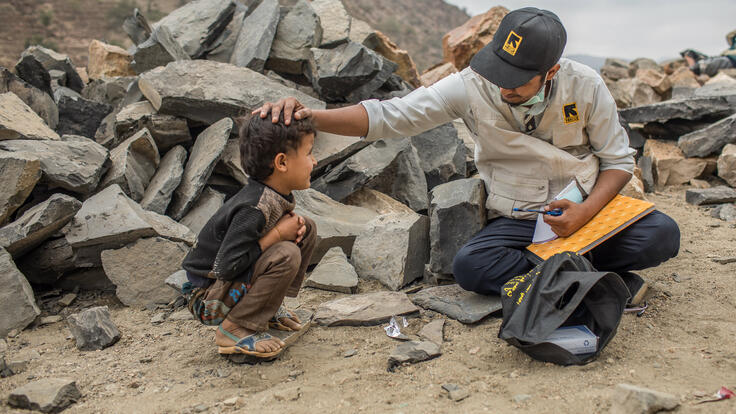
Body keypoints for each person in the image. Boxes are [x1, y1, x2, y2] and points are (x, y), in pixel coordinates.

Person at [256, 7, 680, 305]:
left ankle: (567, 277)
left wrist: (584, 213)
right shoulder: (470, 85)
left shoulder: (584, 86)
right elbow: (390, 116)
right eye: (499, 71)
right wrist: (312, 117)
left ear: (550, 72)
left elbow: (619, 162)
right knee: (471, 268)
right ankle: (598, 280)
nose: (503, 87)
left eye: (517, 80)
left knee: (662, 234)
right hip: (521, 220)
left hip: (583, 212)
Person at [181, 113, 318, 359]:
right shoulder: (254, 209)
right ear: (282, 163)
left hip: (227, 286)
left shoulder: (273, 194)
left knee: (305, 228)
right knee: (286, 254)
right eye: (309, 153)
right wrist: (276, 235)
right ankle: (233, 328)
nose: (314, 161)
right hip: (207, 297)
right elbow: (225, 267)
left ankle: (269, 308)